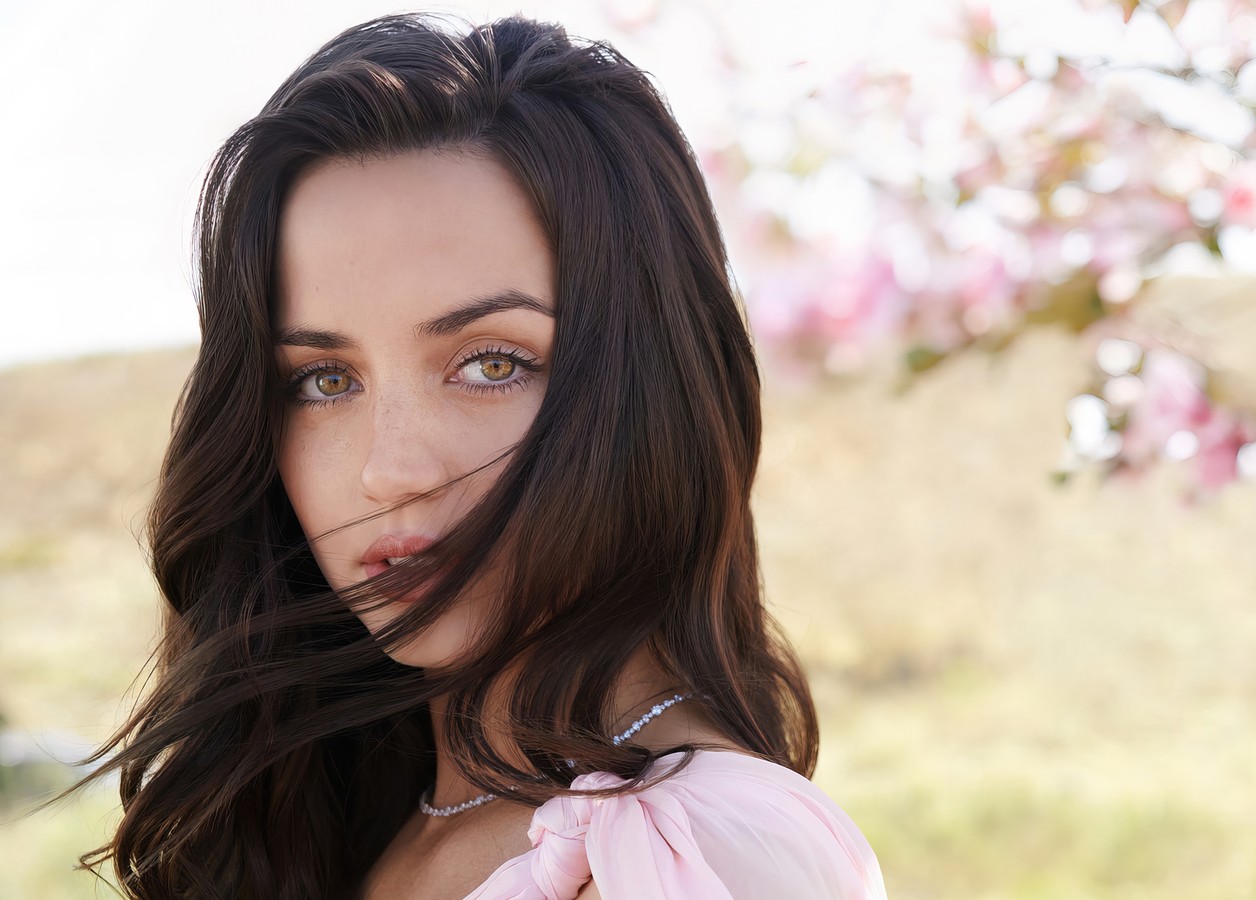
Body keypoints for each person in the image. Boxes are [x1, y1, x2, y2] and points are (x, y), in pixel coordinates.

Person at [60, 12, 888, 899]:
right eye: (323, 381)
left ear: (656, 386)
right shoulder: (349, 824)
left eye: (492, 364)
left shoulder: (688, 849)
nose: (391, 471)